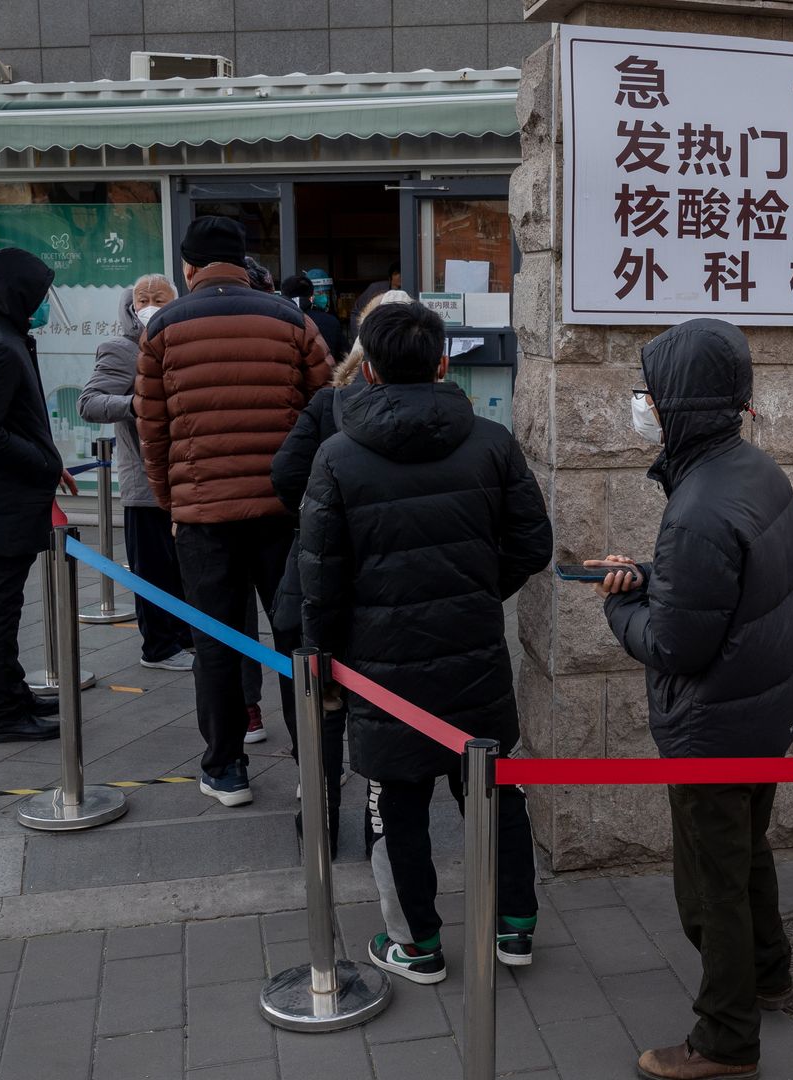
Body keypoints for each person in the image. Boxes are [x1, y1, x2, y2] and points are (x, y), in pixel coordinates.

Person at [589, 318, 793, 1080]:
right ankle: (770, 972)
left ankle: (725, 1038)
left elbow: (677, 647)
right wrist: (653, 581)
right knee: (745, 851)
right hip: (765, 711)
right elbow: (734, 594)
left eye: (650, 393)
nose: (644, 406)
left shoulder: (696, 509)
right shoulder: (755, 471)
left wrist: (619, 606)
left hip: (715, 727)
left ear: (679, 402)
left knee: (708, 886)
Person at [299, 300, 551, 986]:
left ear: (368, 369)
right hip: (473, 653)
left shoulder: (338, 456)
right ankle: (515, 927)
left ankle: (418, 945)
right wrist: (475, 590)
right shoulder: (491, 441)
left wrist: (322, 659)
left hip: (379, 669)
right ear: (443, 362)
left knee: (394, 801)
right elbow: (534, 543)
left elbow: (318, 579)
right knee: (493, 788)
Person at [136, 215, 332, 807]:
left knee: (215, 643)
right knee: (298, 639)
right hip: (283, 514)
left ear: (189, 269)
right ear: (244, 263)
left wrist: (175, 504)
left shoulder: (163, 329)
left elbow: (154, 431)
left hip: (203, 519)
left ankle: (226, 769)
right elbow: (325, 412)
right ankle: (313, 766)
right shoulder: (290, 320)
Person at [271, 287, 412, 846]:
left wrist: (315, 518)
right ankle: (384, 827)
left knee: (323, 705)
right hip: (395, 592)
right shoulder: (449, 416)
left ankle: (321, 825)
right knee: (386, 713)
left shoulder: (331, 405)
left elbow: (285, 474)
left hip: (318, 583)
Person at [0, 248, 76, 743]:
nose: (45, 303)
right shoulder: (0, 347)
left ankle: (13, 692)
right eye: (40, 294)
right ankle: (4, 712)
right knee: (0, 611)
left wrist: (49, 460)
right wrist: (43, 462)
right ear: (18, 292)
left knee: (2, 608)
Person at [78, 274, 192, 672]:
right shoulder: (120, 348)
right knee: (153, 570)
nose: (148, 303)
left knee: (181, 569)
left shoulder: (181, 340)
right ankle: (158, 647)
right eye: (141, 297)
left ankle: (183, 637)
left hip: (184, 481)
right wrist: (136, 404)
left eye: (158, 297)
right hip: (144, 484)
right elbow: (89, 402)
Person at [281, 272, 345, 360]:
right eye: (319, 292)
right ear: (311, 297)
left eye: (325, 292)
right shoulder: (330, 322)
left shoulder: (275, 321)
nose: (324, 296)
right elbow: (344, 357)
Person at [351, 260, 401, 337]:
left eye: (402, 272)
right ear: (389, 278)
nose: (400, 276)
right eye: (396, 273)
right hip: (375, 335)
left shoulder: (412, 292)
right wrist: (360, 338)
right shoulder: (376, 289)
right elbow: (357, 312)